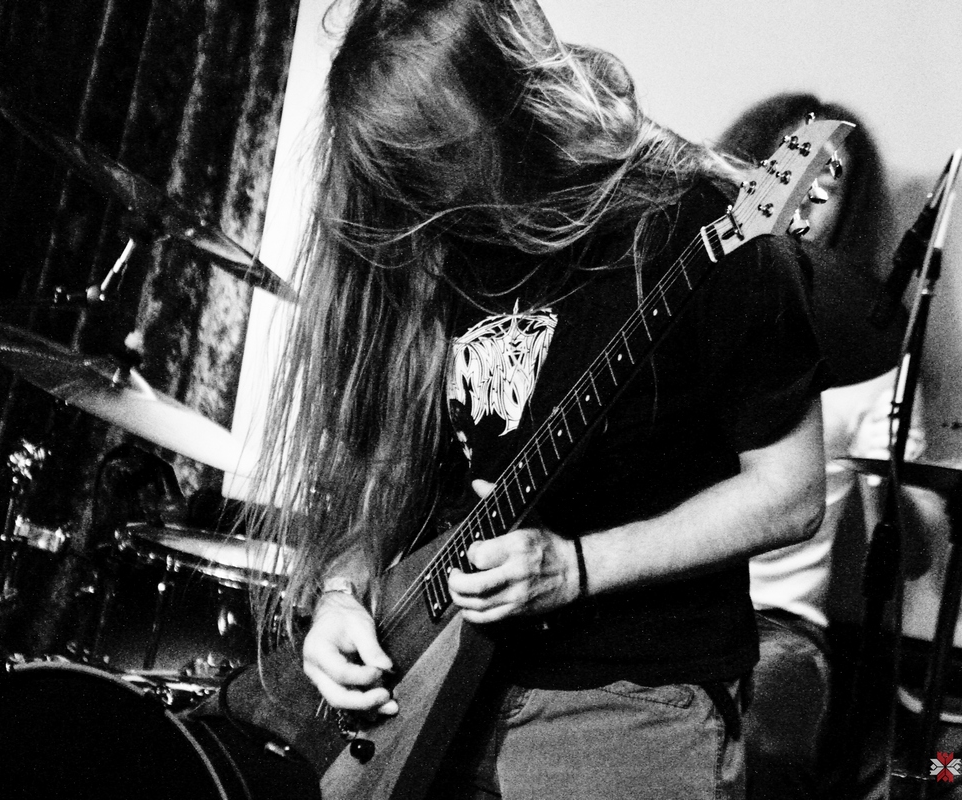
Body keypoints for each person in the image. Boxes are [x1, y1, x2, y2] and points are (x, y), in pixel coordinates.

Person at [253, 4, 831, 798]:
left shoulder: (703, 226)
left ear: (515, 103)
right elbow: (385, 468)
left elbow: (792, 494)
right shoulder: (433, 234)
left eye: (443, 160)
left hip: (628, 696)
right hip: (427, 675)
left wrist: (576, 567)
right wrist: (342, 594)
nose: (430, 197)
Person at [717, 93, 926, 799]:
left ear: (846, 212)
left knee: (766, 733)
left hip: (773, 625)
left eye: (824, 186)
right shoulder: (672, 306)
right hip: (646, 596)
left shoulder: (870, 354)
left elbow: (914, 556)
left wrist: (892, 488)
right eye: (781, 172)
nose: (797, 197)